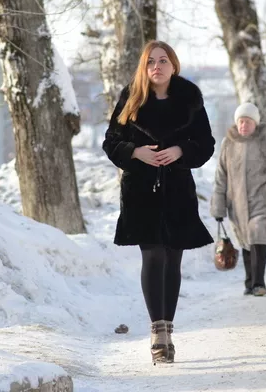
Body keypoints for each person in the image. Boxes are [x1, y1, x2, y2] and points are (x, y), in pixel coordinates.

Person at [102, 40, 215, 365]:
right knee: (152, 257)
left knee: (172, 262)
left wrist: (181, 150)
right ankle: (157, 335)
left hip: (178, 190)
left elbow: (205, 144)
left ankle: (168, 327)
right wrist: (135, 152)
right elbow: (111, 141)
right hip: (141, 192)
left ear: (173, 65)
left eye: (163, 60)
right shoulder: (131, 98)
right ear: (144, 66)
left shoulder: (190, 101)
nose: (157, 66)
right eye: (151, 61)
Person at [210, 102, 266, 297]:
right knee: (245, 241)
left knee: (258, 236)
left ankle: (258, 282)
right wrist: (218, 207)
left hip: (262, 200)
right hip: (236, 203)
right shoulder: (228, 144)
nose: (243, 126)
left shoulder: (265, 142)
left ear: (255, 123)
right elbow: (221, 178)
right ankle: (249, 282)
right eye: (240, 122)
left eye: (247, 122)